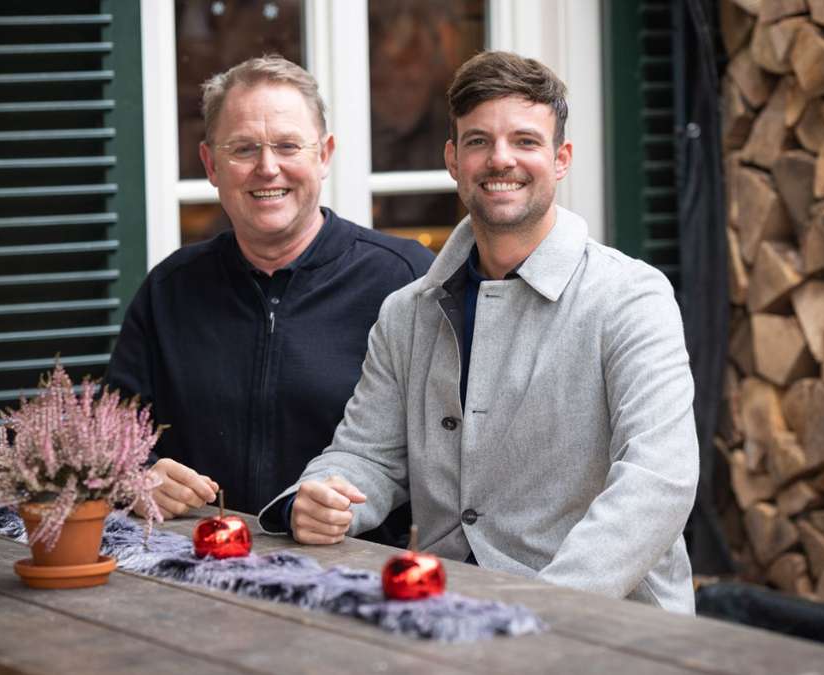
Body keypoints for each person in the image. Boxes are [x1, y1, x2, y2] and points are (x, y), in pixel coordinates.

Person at [258, 51, 699, 613]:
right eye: (478, 141)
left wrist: (540, 609)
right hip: (448, 613)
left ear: (561, 158)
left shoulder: (632, 298)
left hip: (609, 628)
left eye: (525, 141)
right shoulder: (405, 313)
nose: (501, 160)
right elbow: (366, 455)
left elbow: (658, 483)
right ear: (453, 159)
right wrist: (318, 493)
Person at [106, 56, 434, 530]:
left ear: (324, 155)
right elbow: (109, 437)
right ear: (210, 164)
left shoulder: (404, 279)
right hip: (192, 570)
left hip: (361, 569)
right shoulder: (170, 289)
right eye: (243, 149)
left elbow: (445, 445)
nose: (267, 167)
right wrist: (135, 477)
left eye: (287, 146)